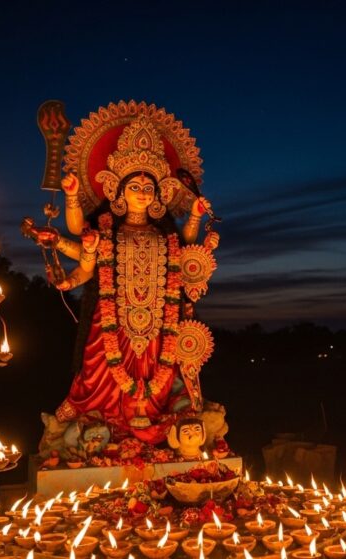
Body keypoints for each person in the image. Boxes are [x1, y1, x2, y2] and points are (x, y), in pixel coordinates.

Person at [33, 109, 219, 446]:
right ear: (118, 192)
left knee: (164, 376)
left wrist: (194, 216)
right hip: (112, 317)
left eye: (149, 186)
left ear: (160, 192)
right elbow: (85, 253)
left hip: (160, 320)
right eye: (135, 185)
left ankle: (164, 423)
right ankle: (89, 424)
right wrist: (71, 198)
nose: (144, 192)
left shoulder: (165, 236)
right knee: (95, 374)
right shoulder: (109, 230)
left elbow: (189, 249)